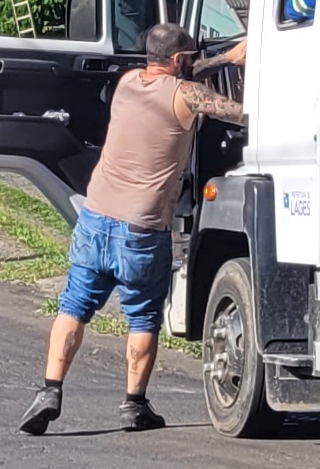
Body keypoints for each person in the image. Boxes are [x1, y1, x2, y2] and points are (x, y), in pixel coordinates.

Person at [22, 22, 244, 436]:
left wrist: (226, 58)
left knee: (74, 306)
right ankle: (133, 404)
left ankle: (50, 390)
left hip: (95, 214)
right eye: (190, 57)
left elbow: (179, 77)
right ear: (179, 60)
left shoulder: (127, 84)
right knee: (142, 319)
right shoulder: (187, 96)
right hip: (142, 228)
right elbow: (235, 111)